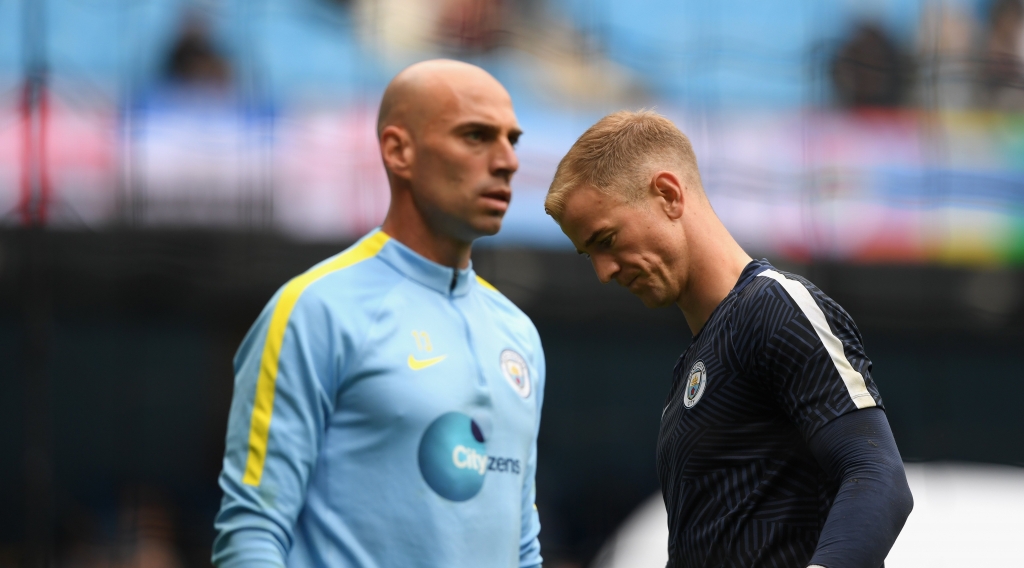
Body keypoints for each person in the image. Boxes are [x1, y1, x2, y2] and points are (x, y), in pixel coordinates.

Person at [212, 59, 545, 567]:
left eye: (512, 140)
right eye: (476, 136)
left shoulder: (519, 334)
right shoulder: (313, 310)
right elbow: (253, 531)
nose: (507, 161)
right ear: (398, 151)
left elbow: (522, 548)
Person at [544, 110, 912, 568]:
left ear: (667, 194)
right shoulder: (693, 364)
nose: (603, 272)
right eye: (589, 254)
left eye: (607, 239)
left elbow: (878, 476)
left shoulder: (775, 306)